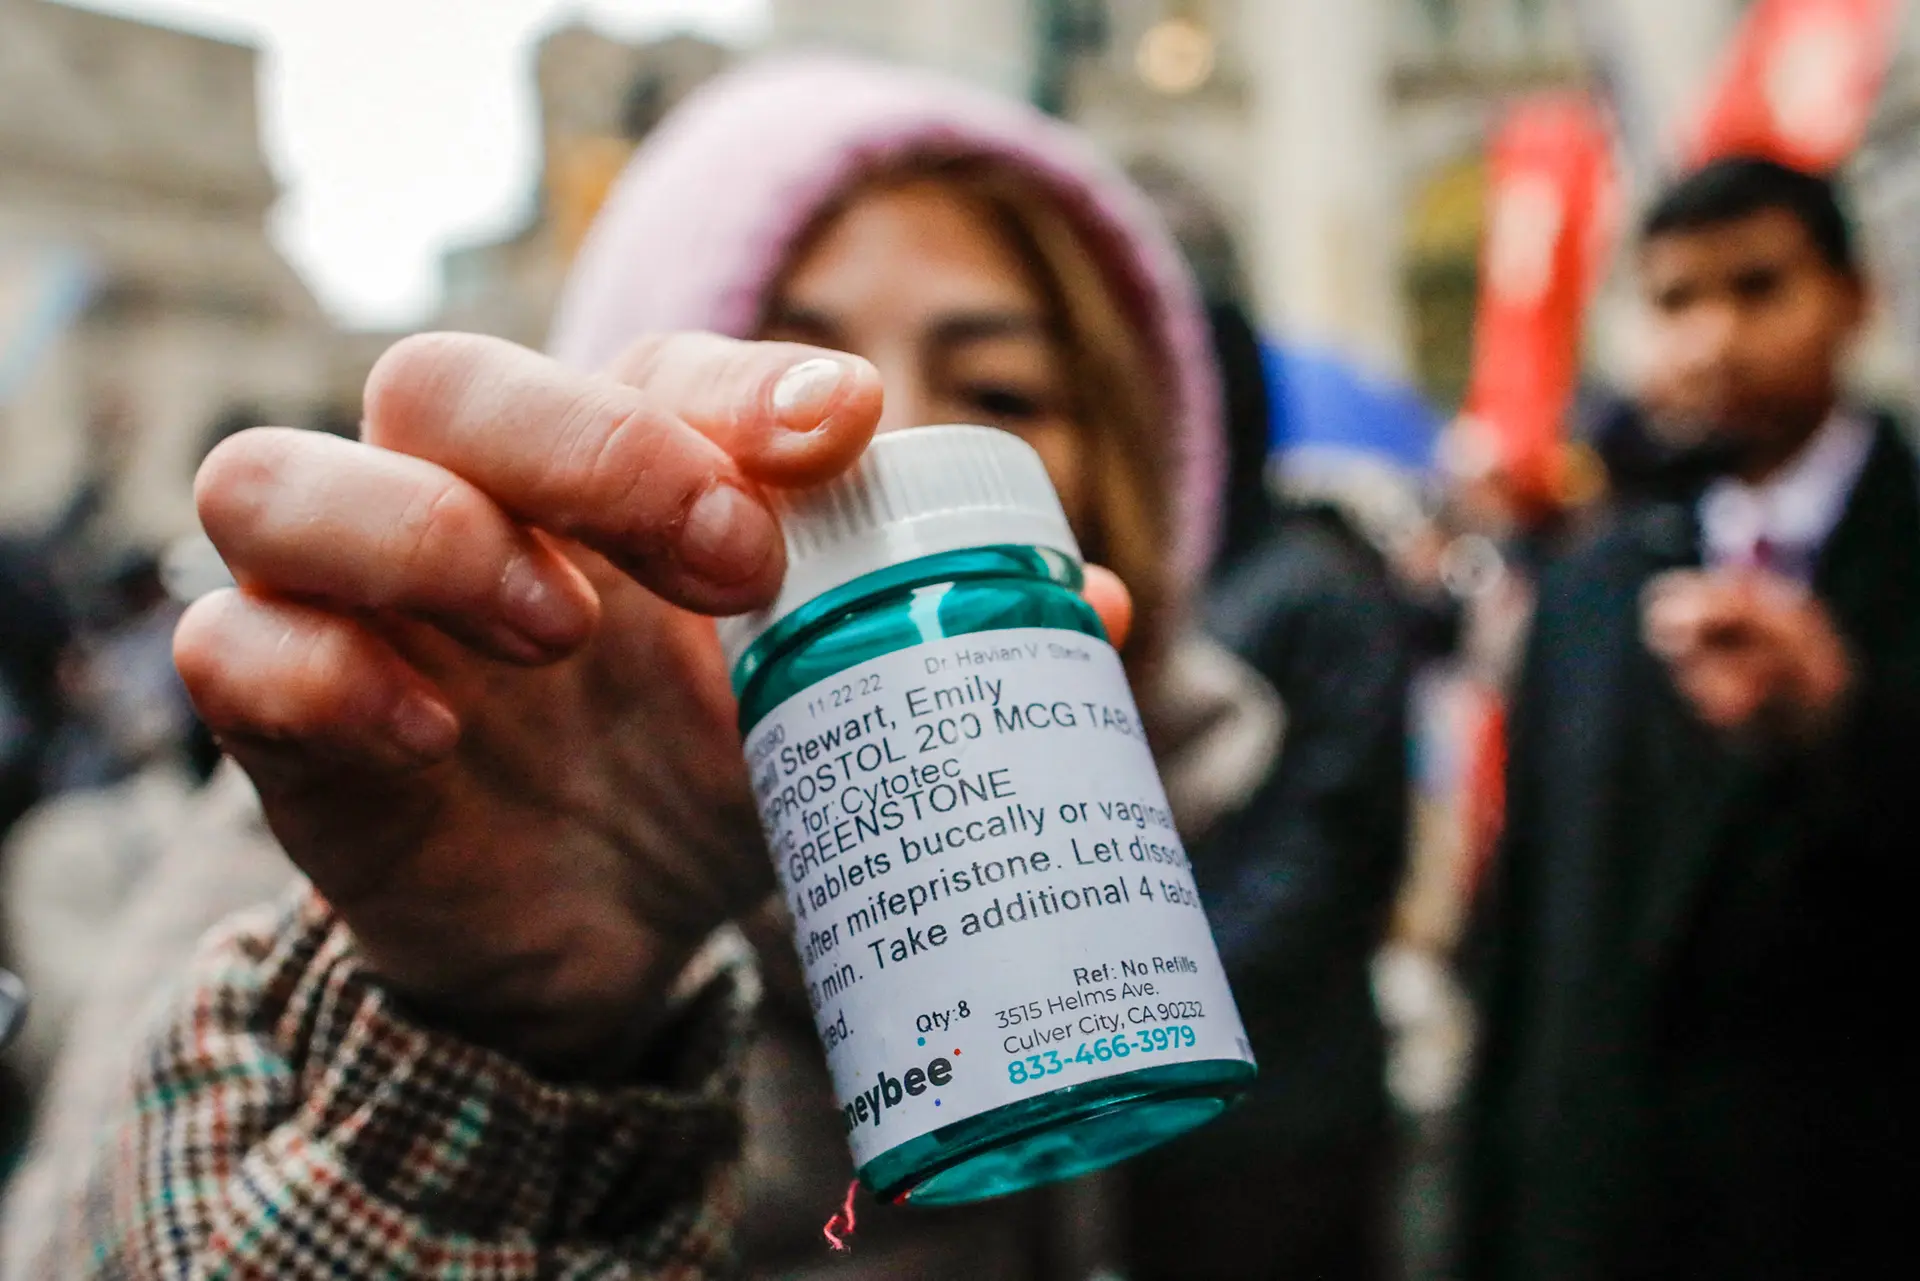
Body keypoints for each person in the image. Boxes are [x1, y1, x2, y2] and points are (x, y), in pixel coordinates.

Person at [5, 56, 1307, 1278]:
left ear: (1126, 462)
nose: (879, 430)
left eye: (1003, 386)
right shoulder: (415, 791)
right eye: (787, 366)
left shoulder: (1205, 804)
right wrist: (490, 1022)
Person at [1462, 157, 1920, 1280]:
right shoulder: (1590, 581)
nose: (1713, 337)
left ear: (1854, 297)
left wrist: (1841, 725)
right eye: (1675, 300)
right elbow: (1529, 920)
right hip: (1609, 1207)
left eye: (1758, 289)